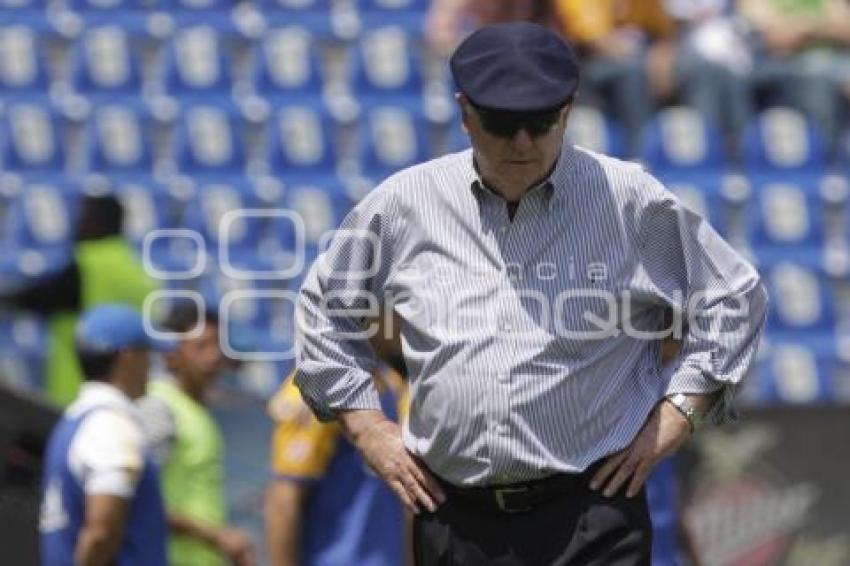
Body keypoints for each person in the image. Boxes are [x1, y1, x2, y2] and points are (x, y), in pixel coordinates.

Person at [294, 22, 768, 565]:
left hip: (592, 513)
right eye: (502, 122)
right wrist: (367, 426)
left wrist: (678, 412)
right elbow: (323, 311)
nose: (523, 142)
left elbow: (734, 297)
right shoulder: (404, 203)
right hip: (453, 515)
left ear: (566, 110)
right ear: (464, 111)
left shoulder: (628, 199)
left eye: (540, 122)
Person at [265, 311, 408, 566]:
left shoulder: (393, 384)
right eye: (397, 308)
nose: (407, 318)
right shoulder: (318, 386)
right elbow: (284, 499)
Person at [39, 304, 169, 566]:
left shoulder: (74, 421)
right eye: (147, 354)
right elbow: (101, 535)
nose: (151, 366)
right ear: (128, 356)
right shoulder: (111, 427)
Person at [0, 194, 158, 406]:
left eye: (84, 217)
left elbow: (35, 298)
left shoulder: (89, 264)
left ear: (97, 222)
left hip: (82, 388)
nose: (78, 224)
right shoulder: (135, 267)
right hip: (134, 382)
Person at [138, 303, 255, 566]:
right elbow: (140, 500)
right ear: (172, 355)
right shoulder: (160, 408)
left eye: (217, 345)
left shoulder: (197, 411)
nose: (213, 356)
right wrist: (218, 535)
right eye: (201, 347)